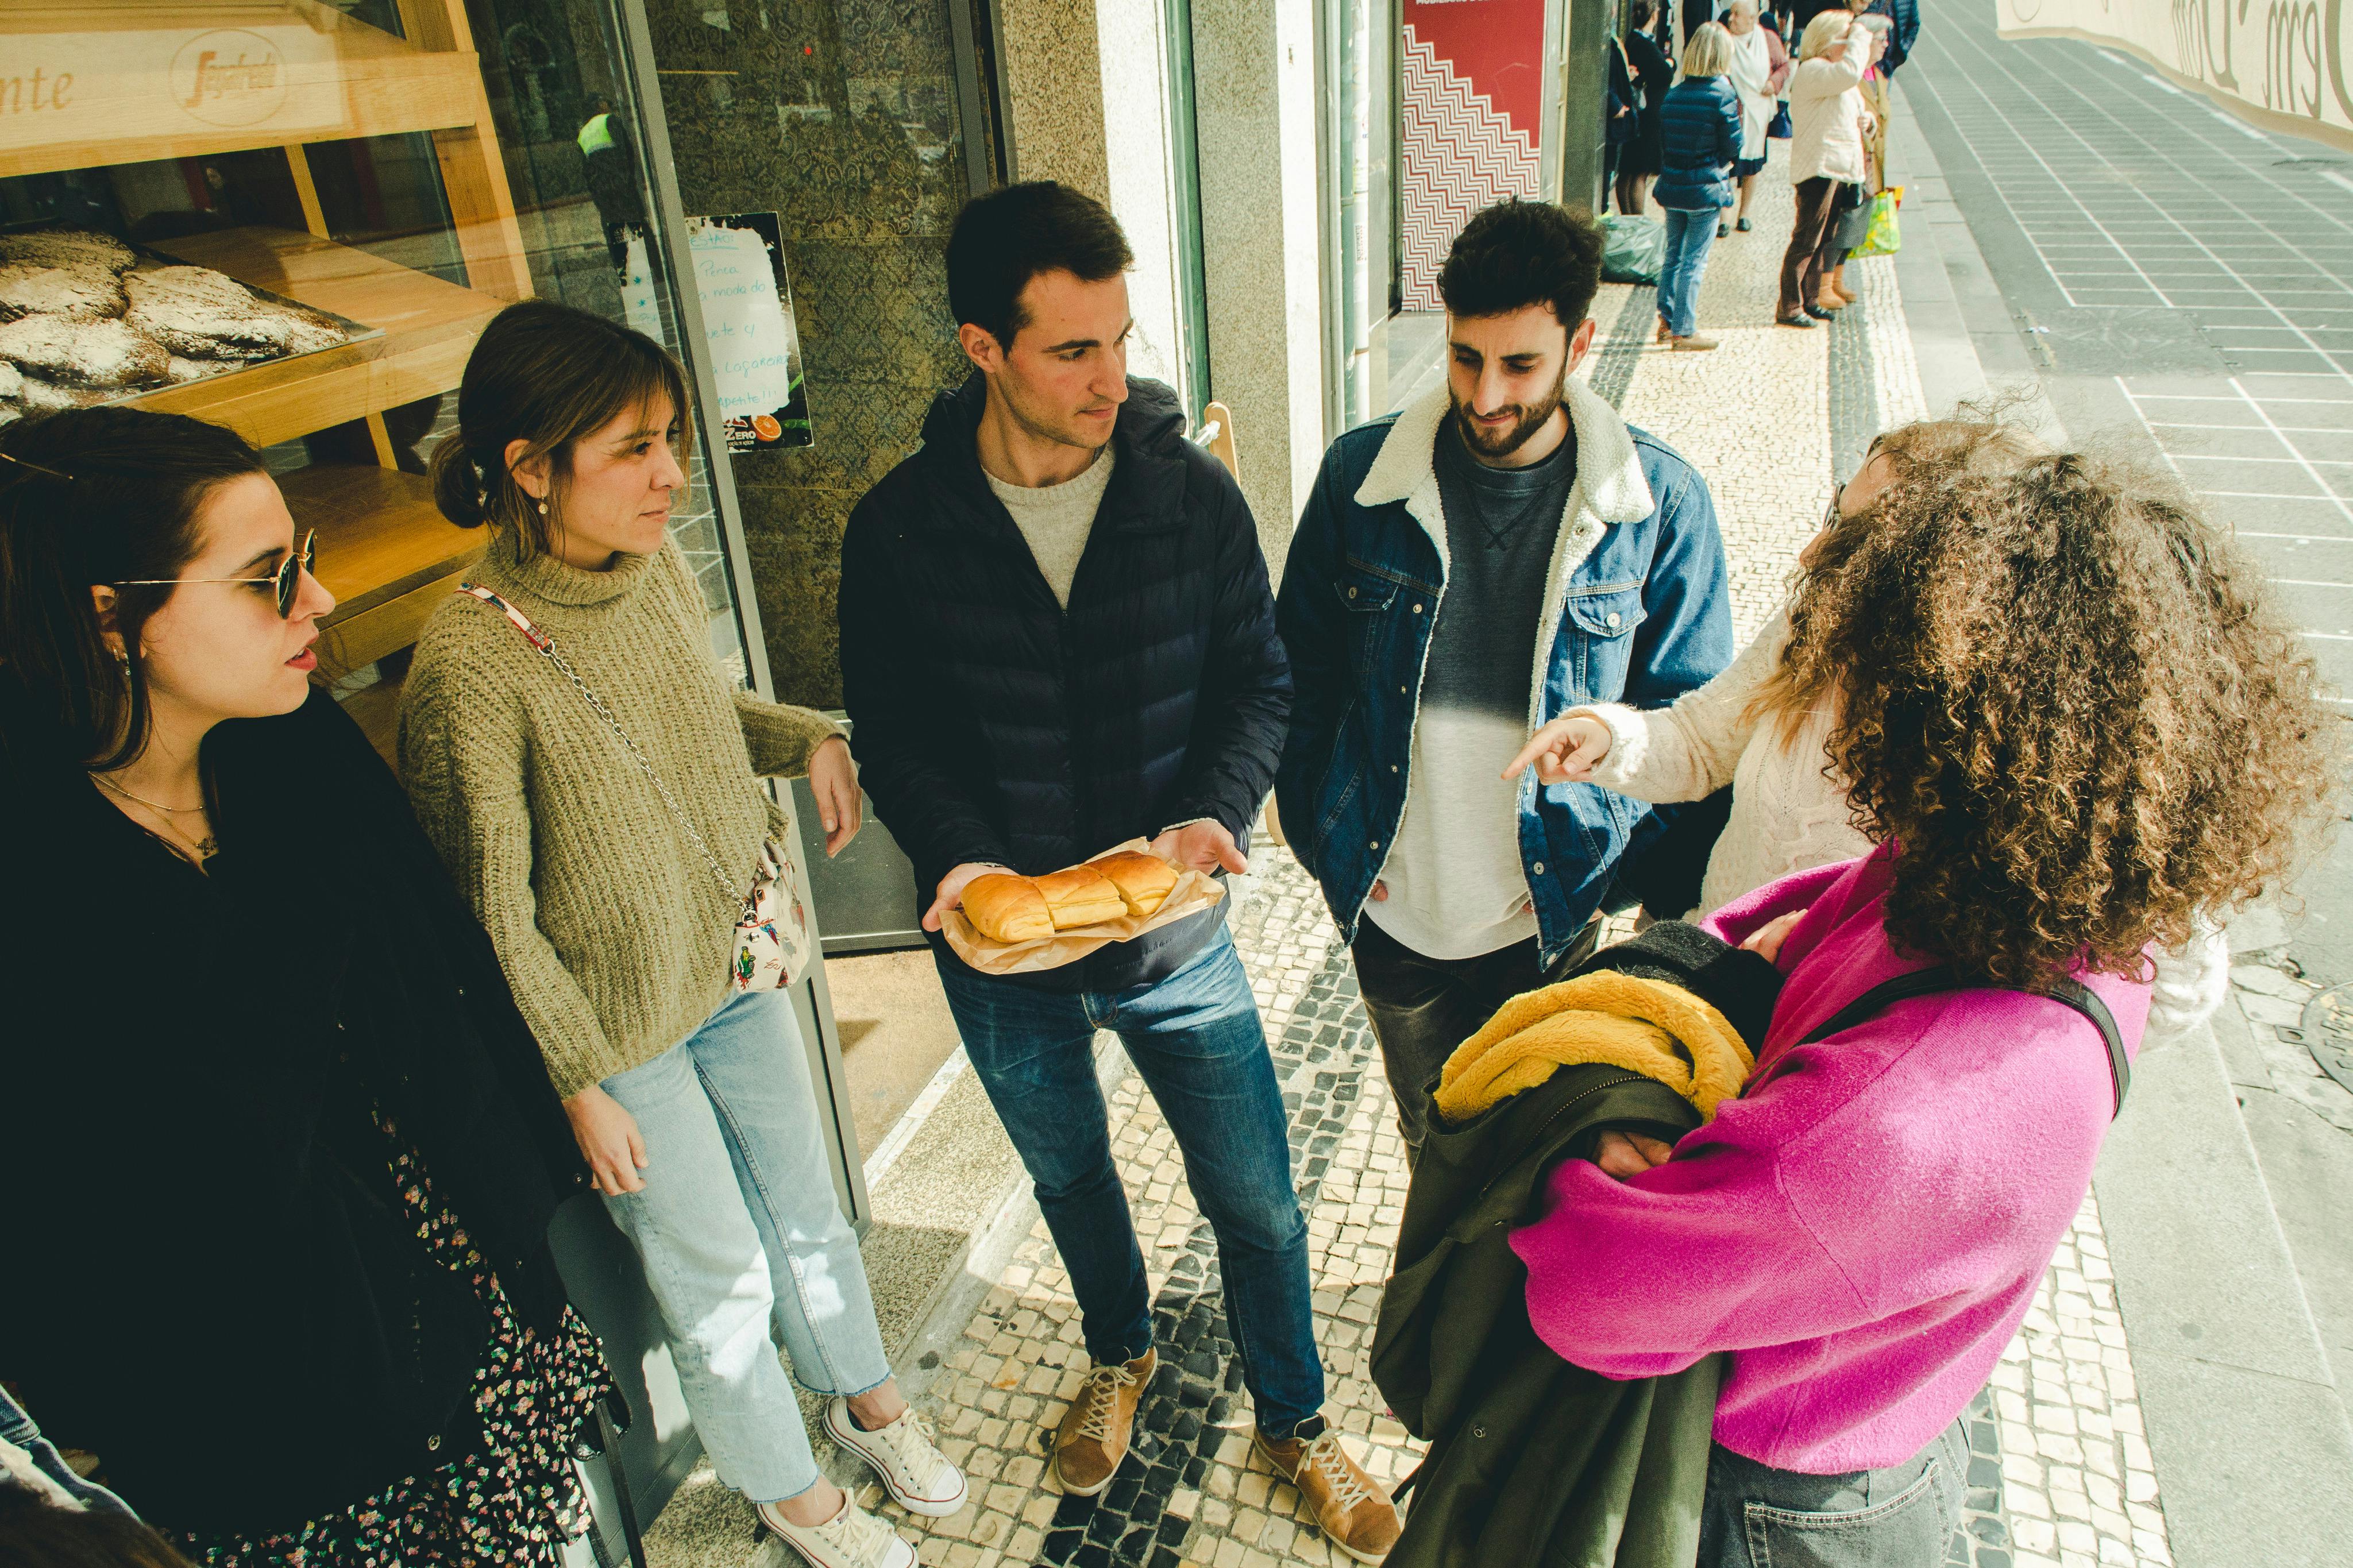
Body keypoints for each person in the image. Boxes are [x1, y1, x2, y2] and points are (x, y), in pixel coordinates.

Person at [1506, 444, 2335, 1567]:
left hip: (1770, 1505)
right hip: (1886, 1396)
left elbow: (1586, 1295)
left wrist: (1582, 1147)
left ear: (1952, 721)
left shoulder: (1896, 1120)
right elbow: (1801, 915)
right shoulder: (2042, 906)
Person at [836, 182, 1401, 1563]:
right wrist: (960, 857)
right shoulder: (898, 527)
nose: (1111, 379)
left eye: (1120, 340)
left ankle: (1294, 1419)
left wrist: (1210, 813)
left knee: (1257, 1199)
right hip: (1002, 958)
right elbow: (893, 731)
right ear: (982, 348)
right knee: (1071, 1179)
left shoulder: (1188, 497)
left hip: (1171, 942)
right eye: (1072, 351)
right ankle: (1117, 1353)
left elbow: (1258, 684)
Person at [400, 301, 962, 1568]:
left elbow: (702, 713)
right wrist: (576, 1081)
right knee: (717, 1276)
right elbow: (488, 912)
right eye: (633, 449)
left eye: (670, 440)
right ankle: (788, 1493)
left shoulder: (646, 569)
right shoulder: (468, 666)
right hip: (618, 1035)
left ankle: (868, 1400)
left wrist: (811, 737)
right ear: (530, 469)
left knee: (808, 1209)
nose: (671, 476)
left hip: (731, 968)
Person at [0, 408, 611, 1565]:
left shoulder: (289, 743)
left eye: (307, 561)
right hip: (288, 1433)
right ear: (110, 618)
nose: (318, 603)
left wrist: (543, 1147)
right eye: (266, 580)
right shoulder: (39, 878)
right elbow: (112, 1221)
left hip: (469, 1304)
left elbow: (445, 977)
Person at [1506, 412, 2232, 1034]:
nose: (1812, 556)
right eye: (1834, 516)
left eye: (1858, 547)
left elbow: (2170, 987)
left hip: (1834, 1060)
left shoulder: (2032, 749)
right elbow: (1702, 740)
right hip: (1710, 991)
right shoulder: (1820, 624)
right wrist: (1608, 738)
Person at [1274, 198, 1734, 1168]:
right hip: (1394, 917)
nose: (1485, 395)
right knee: (1435, 1146)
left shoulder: (1658, 503)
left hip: (1555, 920)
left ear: (1580, 344)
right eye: (1464, 358)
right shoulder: (1361, 479)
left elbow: (1691, 721)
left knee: (1545, 1163)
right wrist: (1321, 835)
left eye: (1520, 365)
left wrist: (1633, 893)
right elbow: (1300, 676)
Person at [1778, 10, 1877, 327]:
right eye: (1845, 38)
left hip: (1840, 168)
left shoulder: (1835, 74)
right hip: (1818, 168)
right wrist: (1860, 34)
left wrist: (1868, 122)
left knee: (1826, 238)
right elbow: (1851, 73)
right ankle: (1789, 307)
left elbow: (1856, 109)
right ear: (1826, 41)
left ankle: (1811, 299)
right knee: (1807, 238)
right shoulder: (1813, 70)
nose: (1851, 45)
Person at [1654, 24, 1744, 352]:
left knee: (1673, 256)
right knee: (1694, 261)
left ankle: (1666, 322)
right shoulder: (1723, 95)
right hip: (1705, 188)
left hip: (1673, 186)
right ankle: (1684, 330)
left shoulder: (1674, 94)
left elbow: (1664, 142)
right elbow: (1734, 146)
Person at [1721, 1, 1792, 235]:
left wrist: (1774, 83)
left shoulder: (1768, 39)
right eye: (1731, 14)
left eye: (1736, 15)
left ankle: (1745, 214)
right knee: (1726, 164)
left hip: (1757, 114)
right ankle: (1724, 217)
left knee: (1752, 167)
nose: (1731, 19)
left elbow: (1783, 67)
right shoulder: (1724, 39)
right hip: (1732, 113)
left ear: (1751, 19)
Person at [1619, 0, 1675, 215]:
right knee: (1639, 172)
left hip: (1637, 113)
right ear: (1654, 16)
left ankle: (1629, 217)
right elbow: (1666, 74)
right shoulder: (1645, 44)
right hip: (1647, 116)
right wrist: (1671, 63)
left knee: (1628, 171)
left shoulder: (1632, 41)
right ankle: (1636, 219)